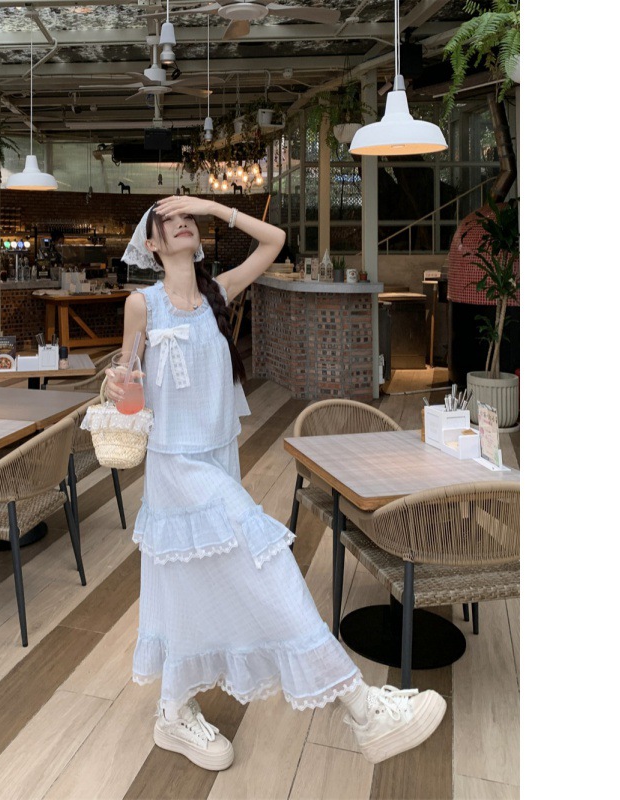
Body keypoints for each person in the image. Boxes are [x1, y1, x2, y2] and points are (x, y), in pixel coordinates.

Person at [105, 196, 446, 772]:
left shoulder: (220, 292)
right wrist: (117, 387)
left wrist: (212, 205)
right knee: (267, 562)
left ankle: (173, 710)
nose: (183, 222)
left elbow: (276, 241)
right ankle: (362, 706)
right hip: (175, 464)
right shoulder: (143, 304)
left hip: (219, 456)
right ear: (152, 244)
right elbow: (126, 383)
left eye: (188, 217)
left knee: (189, 582)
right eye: (168, 220)